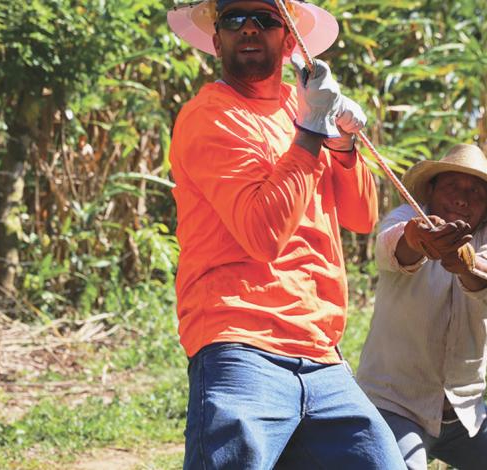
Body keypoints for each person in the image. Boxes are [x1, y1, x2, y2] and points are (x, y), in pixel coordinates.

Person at [167, 1, 405, 468]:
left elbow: (360, 216)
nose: (249, 29)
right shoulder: (210, 116)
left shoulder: (300, 110)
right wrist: (313, 128)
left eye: (267, 19)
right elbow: (263, 234)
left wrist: (341, 140)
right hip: (239, 342)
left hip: (321, 351)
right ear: (217, 41)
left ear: (291, 40)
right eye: (234, 20)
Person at [356, 144, 487, 469]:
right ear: (432, 189)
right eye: (452, 186)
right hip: (394, 403)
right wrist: (418, 238)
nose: (463, 198)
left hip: (464, 413)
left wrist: (465, 262)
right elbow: (392, 246)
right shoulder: (406, 218)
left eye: (475, 192)